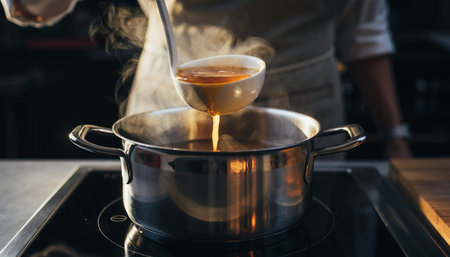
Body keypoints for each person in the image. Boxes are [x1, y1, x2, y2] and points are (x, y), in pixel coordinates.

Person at [2, 0, 412, 158]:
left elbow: (365, 34)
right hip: (167, 93)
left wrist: (395, 135)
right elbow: (37, 6)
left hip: (305, 107)